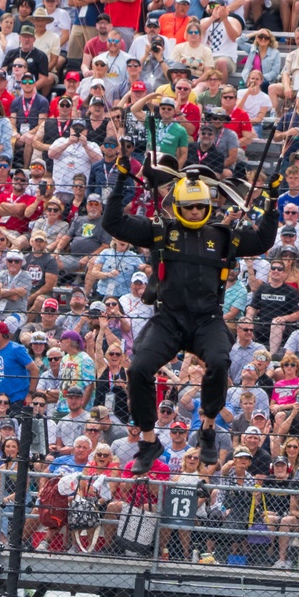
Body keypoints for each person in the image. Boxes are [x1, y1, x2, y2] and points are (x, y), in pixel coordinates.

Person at [103, 155, 278, 473]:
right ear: (179, 207)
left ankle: (208, 428)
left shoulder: (223, 237)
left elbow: (264, 240)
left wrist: (273, 201)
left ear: (207, 206)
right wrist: (121, 181)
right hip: (168, 319)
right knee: (140, 368)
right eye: (188, 207)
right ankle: (148, 440)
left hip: (207, 319)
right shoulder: (161, 231)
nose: (194, 212)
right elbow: (113, 224)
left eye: (199, 207)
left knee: (219, 361)